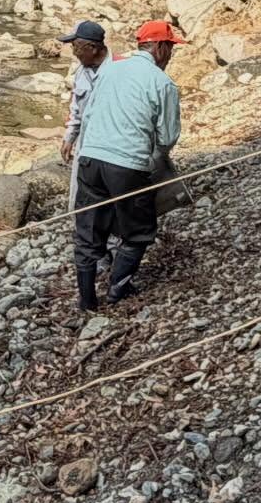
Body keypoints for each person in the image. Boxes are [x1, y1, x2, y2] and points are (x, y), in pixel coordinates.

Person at [72, 19, 184, 312]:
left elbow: (90, 113)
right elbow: (168, 137)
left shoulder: (110, 69)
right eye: (170, 49)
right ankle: (117, 289)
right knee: (139, 230)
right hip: (127, 164)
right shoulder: (163, 83)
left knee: (88, 231)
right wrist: (154, 157)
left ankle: (86, 302)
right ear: (159, 47)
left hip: (90, 159)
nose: (170, 56)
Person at [59, 20, 110, 211]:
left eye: (75, 46)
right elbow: (76, 107)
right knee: (80, 196)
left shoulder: (118, 70)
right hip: (86, 143)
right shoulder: (81, 71)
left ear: (92, 48)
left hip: (110, 146)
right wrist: (70, 137)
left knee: (107, 197)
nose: (73, 52)